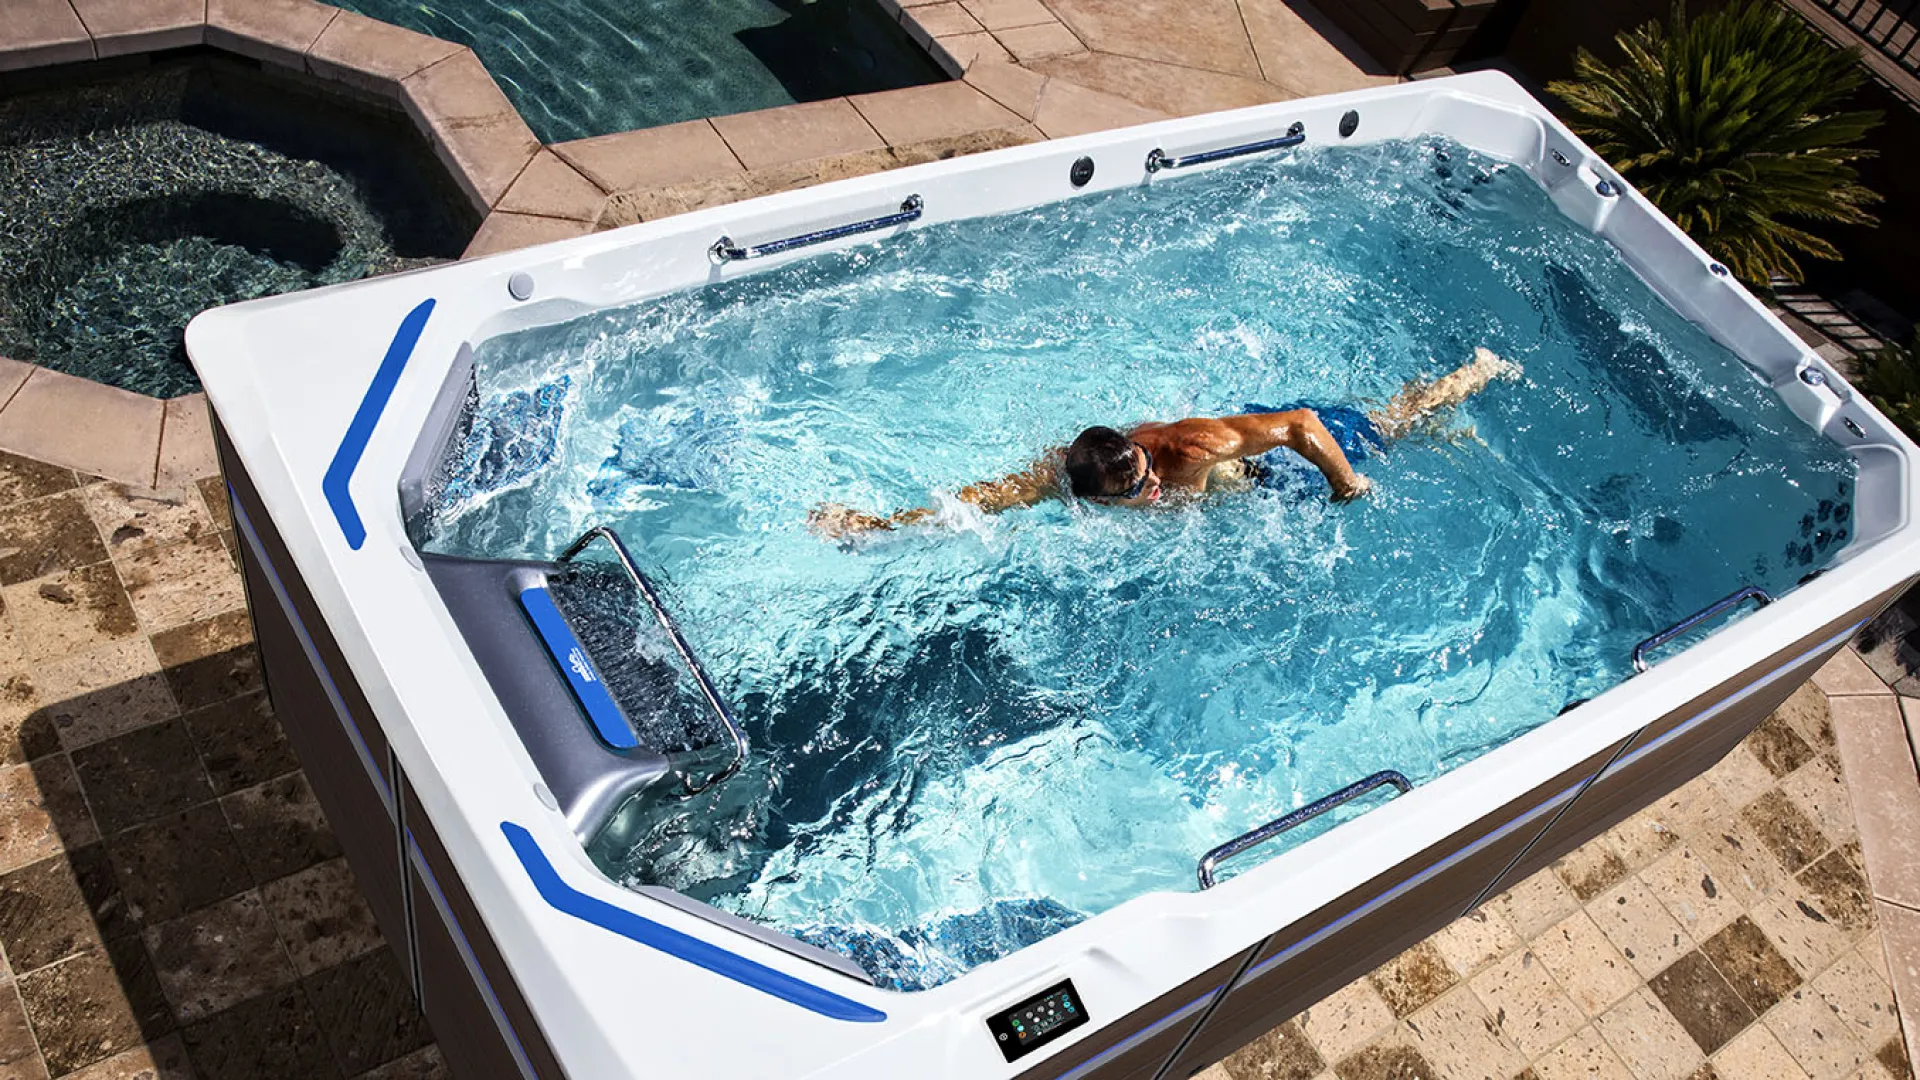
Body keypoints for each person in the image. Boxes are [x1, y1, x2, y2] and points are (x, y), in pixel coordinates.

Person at [810, 347, 1519, 536]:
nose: (1151, 491)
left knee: (1396, 424)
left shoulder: (1184, 450)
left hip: (1285, 465)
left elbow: (1304, 425)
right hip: (1242, 458)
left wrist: (1346, 487)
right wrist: (879, 525)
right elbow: (976, 502)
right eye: (1135, 495)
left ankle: (1469, 377)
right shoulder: (1070, 469)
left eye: (1146, 478)